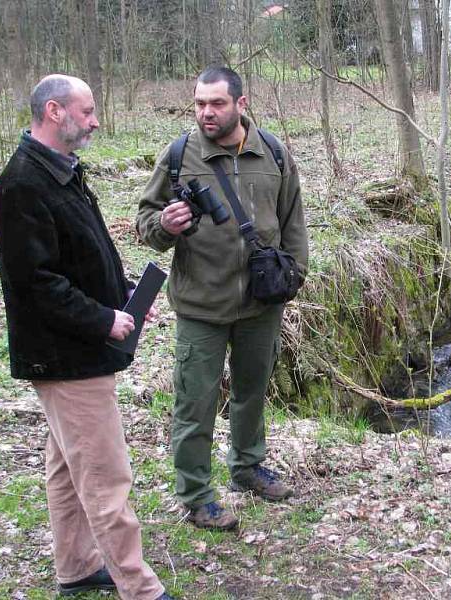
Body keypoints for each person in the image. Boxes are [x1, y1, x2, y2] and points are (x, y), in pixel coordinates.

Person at [0, 74, 173, 600]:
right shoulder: (22, 185)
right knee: (105, 477)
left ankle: (74, 567)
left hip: (78, 349)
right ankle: (139, 587)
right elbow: (36, 284)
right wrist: (102, 320)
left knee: (68, 469)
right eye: (87, 110)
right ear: (54, 112)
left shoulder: (61, 172)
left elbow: (79, 257)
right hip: (65, 357)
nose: (95, 120)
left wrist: (124, 298)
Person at [136, 67, 308, 530]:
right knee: (195, 403)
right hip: (200, 306)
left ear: (241, 103)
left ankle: (247, 468)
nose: (206, 113)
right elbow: (146, 222)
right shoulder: (178, 155)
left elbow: (293, 219)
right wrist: (164, 227)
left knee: (252, 393)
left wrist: (295, 272)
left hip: (261, 302)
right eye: (199, 104)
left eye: (216, 104)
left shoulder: (272, 152)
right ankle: (195, 494)